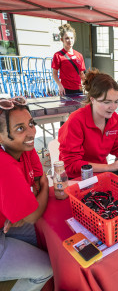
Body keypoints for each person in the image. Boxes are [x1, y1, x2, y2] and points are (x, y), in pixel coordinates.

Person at [0, 97, 52, 290]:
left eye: (31, 123)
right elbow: (32, 214)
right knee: (46, 268)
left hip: (7, 223)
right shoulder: (4, 163)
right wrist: (45, 188)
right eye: (20, 128)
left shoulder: (24, 146)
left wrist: (24, 208)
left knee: (48, 241)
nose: (32, 132)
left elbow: (37, 177)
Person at [58, 68, 118, 179]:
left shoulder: (113, 118)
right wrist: (109, 167)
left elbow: (117, 147)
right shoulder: (76, 121)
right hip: (78, 179)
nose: (113, 107)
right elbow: (71, 165)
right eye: (107, 102)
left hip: (102, 175)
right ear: (92, 99)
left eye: (116, 101)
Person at [52, 23, 86, 96]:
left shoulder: (79, 55)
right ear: (62, 40)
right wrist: (60, 86)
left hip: (79, 90)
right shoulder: (58, 55)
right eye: (67, 38)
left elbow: (81, 74)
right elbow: (54, 74)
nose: (69, 40)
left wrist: (86, 84)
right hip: (65, 90)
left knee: (80, 107)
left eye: (71, 38)